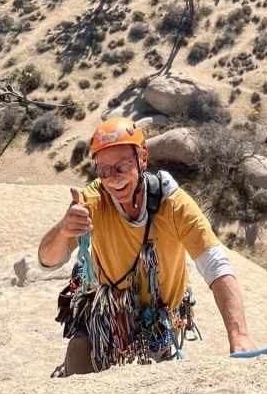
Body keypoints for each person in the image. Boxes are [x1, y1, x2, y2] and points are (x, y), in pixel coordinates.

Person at [38, 117, 255, 376]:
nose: (112, 179)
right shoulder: (93, 201)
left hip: (157, 318)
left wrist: (239, 336)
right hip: (107, 313)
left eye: (121, 167)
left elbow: (216, 266)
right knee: (78, 375)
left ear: (142, 158)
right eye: (104, 171)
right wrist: (64, 230)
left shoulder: (173, 204)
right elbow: (47, 261)